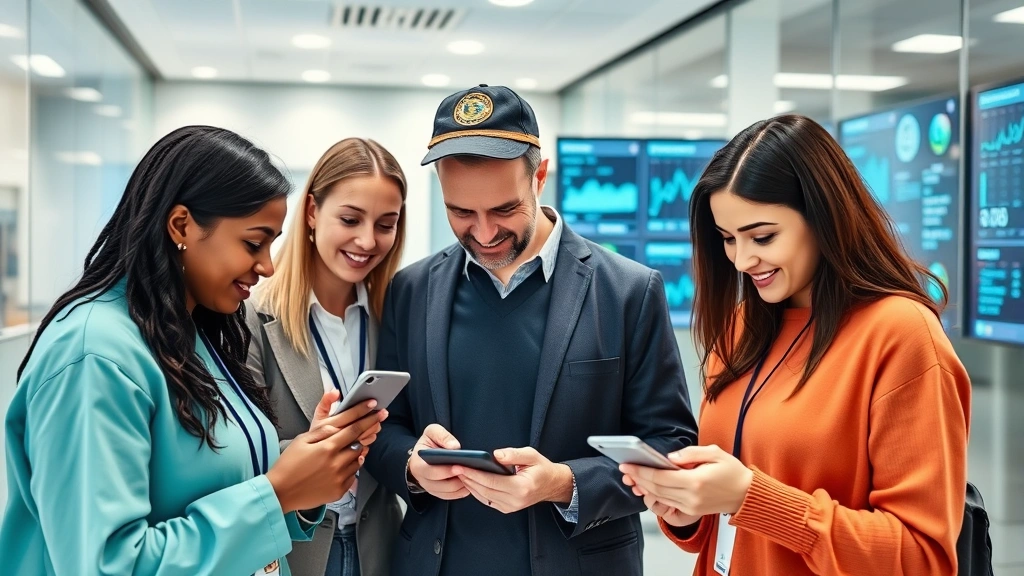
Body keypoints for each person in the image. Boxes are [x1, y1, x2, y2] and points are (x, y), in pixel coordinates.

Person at [0, 125, 387, 576]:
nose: (267, 266)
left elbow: (213, 483)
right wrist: (278, 494)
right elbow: (108, 565)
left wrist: (304, 467)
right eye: (253, 243)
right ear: (181, 225)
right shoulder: (94, 356)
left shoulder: (191, 332)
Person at [363, 84, 698, 576]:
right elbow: (382, 429)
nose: (483, 233)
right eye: (461, 212)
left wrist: (564, 483)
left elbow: (671, 444)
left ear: (540, 177)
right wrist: (412, 463)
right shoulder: (412, 290)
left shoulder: (628, 291)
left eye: (504, 210)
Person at [620, 114, 971, 576]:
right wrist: (687, 511)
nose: (742, 260)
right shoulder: (742, 327)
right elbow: (726, 531)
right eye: (728, 239)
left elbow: (921, 558)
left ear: (824, 217)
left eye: (763, 237)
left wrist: (751, 497)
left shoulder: (901, 335)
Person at [246, 138, 406, 576]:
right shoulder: (252, 317)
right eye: (350, 219)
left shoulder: (393, 317)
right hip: (294, 550)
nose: (367, 240)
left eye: (386, 224)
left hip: (379, 549)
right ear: (313, 212)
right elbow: (239, 453)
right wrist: (313, 449)